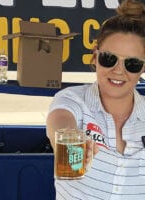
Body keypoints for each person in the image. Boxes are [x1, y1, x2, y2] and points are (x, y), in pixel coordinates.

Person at [46, 0, 145, 199]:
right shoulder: (73, 99)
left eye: (132, 64)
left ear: (143, 68)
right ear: (95, 56)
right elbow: (60, 122)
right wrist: (70, 142)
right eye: (109, 58)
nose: (118, 71)